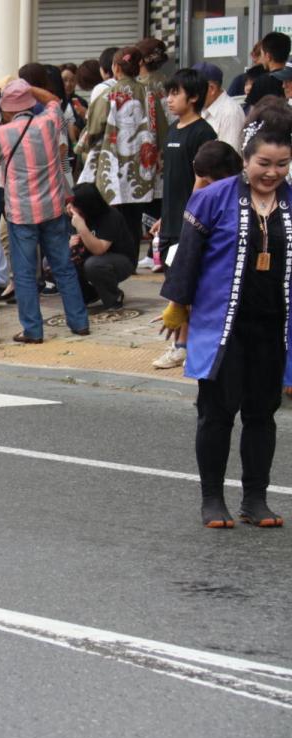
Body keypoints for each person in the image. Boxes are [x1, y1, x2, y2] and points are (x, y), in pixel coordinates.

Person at [158, 115, 291, 529]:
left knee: (262, 413)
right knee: (216, 413)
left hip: (273, 326)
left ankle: (255, 499)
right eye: (264, 162)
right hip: (221, 324)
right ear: (245, 159)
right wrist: (178, 303)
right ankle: (212, 499)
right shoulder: (211, 198)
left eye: (282, 164)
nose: (272, 172)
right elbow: (190, 256)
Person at [0, 79, 88, 343]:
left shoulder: (0, 134)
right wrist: (26, 88)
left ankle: (33, 330)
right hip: (53, 208)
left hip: (21, 214)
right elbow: (54, 100)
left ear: (7, 109)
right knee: (63, 267)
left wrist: (14, 89)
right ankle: (79, 323)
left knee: (24, 273)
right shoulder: (48, 122)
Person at [153, 140, 243, 370]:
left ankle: (186, 349)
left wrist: (177, 303)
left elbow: (189, 251)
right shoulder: (255, 192)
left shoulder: (211, 197)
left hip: (217, 285)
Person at [77, 46, 161, 253]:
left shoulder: (108, 94)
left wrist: (83, 146)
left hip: (113, 161)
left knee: (113, 210)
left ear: (116, 67)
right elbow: (162, 128)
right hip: (143, 163)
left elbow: (94, 128)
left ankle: (119, 254)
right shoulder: (151, 94)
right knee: (135, 213)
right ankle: (132, 256)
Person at [151, 68, 217, 273]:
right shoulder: (172, 130)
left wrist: (190, 213)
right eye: (168, 93)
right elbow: (172, 179)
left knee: (188, 281)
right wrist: (165, 217)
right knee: (172, 280)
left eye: (175, 93)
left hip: (191, 222)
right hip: (171, 222)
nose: (169, 99)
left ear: (194, 96)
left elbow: (205, 178)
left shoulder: (204, 132)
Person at [68, 183, 136, 310]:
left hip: (119, 261)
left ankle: (113, 297)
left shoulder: (110, 216)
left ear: (86, 206)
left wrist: (81, 227)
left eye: (74, 204)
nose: (70, 207)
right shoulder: (74, 215)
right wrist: (69, 243)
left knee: (93, 264)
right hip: (88, 257)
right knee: (51, 263)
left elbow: (99, 249)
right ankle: (89, 294)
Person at [194, 62, 245, 154]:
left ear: (212, 89)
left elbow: (229, 156)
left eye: (193, 88)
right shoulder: (202, 108)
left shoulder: (230, 112)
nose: (190, 94)